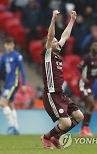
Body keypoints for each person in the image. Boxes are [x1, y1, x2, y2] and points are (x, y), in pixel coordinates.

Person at [41, 10, 84, 149]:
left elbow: (65, 36)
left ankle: (56, 137)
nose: (57, 42)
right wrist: (53, 18)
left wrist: (72, 20)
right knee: (65, 123)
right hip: (52, 94)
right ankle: (46, 137)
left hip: (61, 93)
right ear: (48, 45)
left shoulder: (57, 55)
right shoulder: (47, 54)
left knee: (79, 117)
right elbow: (50, 35)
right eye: (54, 41)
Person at [0, 38, 26, 134]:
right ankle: (16, 128)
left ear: (13, 45)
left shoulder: (17, 56)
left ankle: (11, 126)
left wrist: (23, 84)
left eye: (11, 44)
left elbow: (22, 70)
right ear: (5, 45)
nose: (10, 46)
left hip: (13, 83)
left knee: (3, 103)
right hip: (7, 83)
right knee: (11, 105)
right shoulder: (5, 56)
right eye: (8, 44)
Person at [78, 41, 97, 137]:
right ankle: (86, 127)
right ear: (91, 48)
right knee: (92, 104)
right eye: (94, 45)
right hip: (84, 85)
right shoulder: (87, 57)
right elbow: (79, 67)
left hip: (90, 85)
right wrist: (82, 77)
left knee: (88, 107)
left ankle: (82, 130)